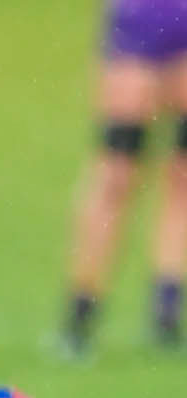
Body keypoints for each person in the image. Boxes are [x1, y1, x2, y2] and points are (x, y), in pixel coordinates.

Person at [57, 0, 187, 355]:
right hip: (139, 23)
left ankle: (167, 305)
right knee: (117, 171)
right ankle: (81, 308)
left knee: (182, 171)